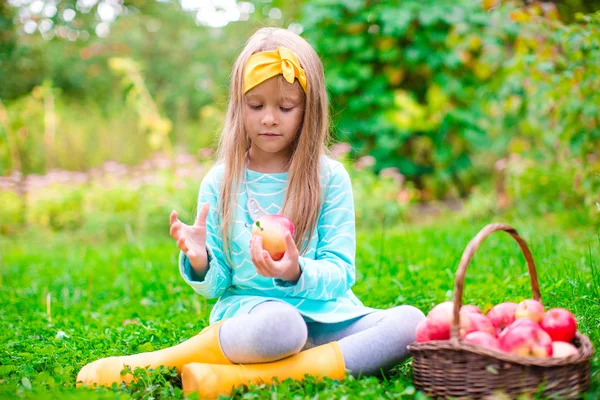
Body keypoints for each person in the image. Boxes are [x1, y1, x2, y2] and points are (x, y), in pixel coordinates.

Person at [76, 27, 425, 398]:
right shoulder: (221, 181)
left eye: (285, 107)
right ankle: (168, 361)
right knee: (284, 325)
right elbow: (219, 284)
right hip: (256, 321)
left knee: (411, 324)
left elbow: (341, 272)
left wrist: (296, 271)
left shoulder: (330, 178)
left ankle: (242, 378)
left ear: (309, 110)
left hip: (327, 318)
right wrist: (200, 259)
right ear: (238, 107)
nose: (269, 118)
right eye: (256, 105)